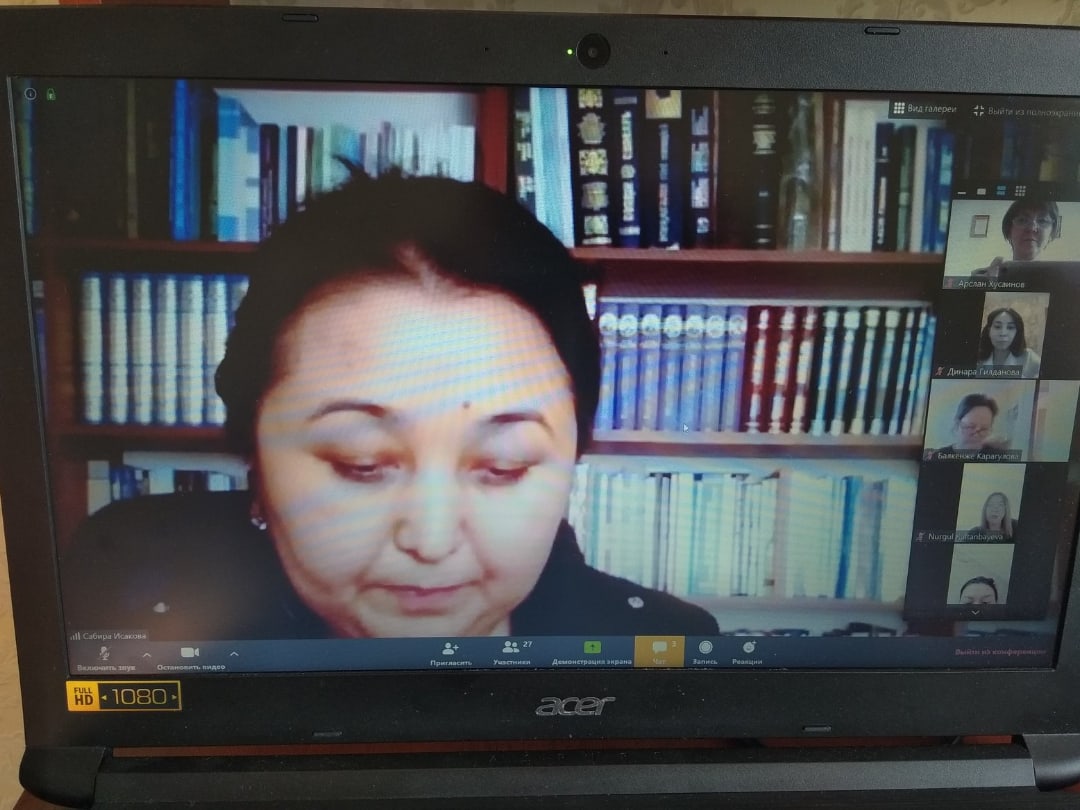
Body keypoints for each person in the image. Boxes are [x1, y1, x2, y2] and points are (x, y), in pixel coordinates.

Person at [60, 171, 719, 641]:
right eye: (362, 464)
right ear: (254, 460)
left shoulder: (664, 651)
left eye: (504, 466)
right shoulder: (134, 608)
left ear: (573, 459)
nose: (431, 541)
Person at [974, 198, 1060, 277]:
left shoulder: (1060, 278)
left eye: (1042, 221)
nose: (1032, 228)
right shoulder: (983, 277)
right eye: (1022, 220)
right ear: (1009, 231)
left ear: (1051, 234)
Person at [976, 307, 1041, 378]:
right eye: (997, 327)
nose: (1003, 333)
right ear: (989, 331)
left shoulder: (1030, 358)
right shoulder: (977, 356)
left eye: (1010, 327)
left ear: (1017, 333)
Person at [933, 393, 1006, 454]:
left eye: (984, 429)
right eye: (970, 427)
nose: (976, 435)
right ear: (957, 425)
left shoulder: (997, 455)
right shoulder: (938, 456)